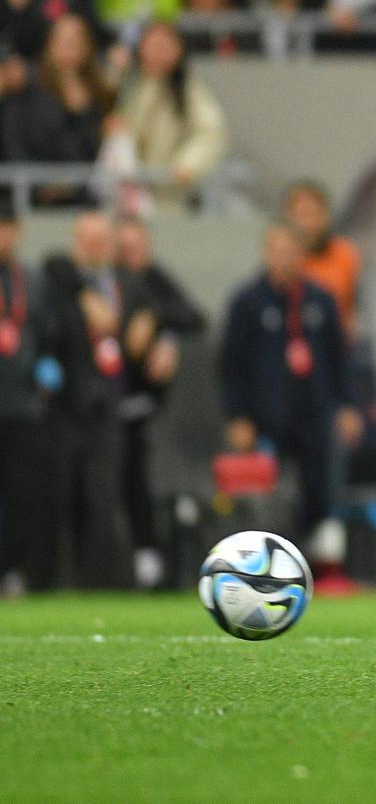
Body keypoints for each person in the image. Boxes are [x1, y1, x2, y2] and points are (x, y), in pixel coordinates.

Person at [220, 224, 362, 583]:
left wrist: (346, 405)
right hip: (266, 418)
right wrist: (237, 416)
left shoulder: (321, 300)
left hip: (313, 413)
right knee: (272, 499)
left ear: (301, 255)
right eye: (276, 250)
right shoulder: (247, 301)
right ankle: (267, 569)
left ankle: (322, 569)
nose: (282, 258)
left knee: (319, 491)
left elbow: (339, 358)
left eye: (290, 251)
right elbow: (230, 364)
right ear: (266, 253)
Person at [37, 211, 156, 589]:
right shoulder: (61, 281)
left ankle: (97, 581)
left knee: (103, 498)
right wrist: (85, 294)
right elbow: (53, 263)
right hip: (67, 409)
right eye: (86, 240)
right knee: (63, 496)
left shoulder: (127, 283)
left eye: (100, 240)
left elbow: (174, 308)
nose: (93, 247)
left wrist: (157, 329)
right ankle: (58, 579)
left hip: (109, 408)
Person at [114, 216, 205, 589]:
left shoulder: (154, 280)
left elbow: (193, 316)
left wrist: (161, 329)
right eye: (125, 248)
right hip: (106, 403)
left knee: (145, 481)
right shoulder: (109, 283)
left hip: (147, 406)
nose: (133, 255)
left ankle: (150, 558)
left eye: (139, 246)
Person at [0, 191, 52, 596]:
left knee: (23, 494)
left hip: (22, 408)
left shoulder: (31, 279)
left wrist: (47, 374)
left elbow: (49, 334)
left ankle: (15, 570)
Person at [118, 22, 230, 203]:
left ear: (179, 50)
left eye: (165, 45)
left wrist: (188, 164)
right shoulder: (127, 84)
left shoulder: (189, 91)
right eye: (153, 45)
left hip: (168, 189)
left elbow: (211, 131)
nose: (158, 52)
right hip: (126, 187)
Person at [1, 13, 114, 167]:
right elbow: (15, 145)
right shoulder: (25, 90)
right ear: (49, 44)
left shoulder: (100, 94)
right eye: (62, 40)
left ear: (87, 46)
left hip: (84, 178)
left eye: (75, 40)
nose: (69, 47)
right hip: (32, 177)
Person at [283, 180, 360, 339]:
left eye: (312, 214)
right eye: (301, 215)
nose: (307, 224)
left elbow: (353, 310)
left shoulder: (344, 254)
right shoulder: (282, 258)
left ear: (325, 216)